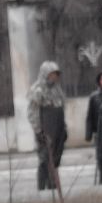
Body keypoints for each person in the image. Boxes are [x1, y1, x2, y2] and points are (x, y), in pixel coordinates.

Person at [27, 59, 67, 191]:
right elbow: (32, 113)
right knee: (44, 159)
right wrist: (39, 131)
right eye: (51, 74)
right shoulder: (37, 90)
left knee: (55, 160)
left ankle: (52, 185)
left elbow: (61, 107)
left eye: (56, 74)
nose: (54, 77)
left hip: (58, 130)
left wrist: (63, 128)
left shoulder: (57, 90)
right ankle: (42, 188)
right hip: (45, 131)